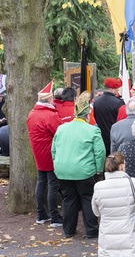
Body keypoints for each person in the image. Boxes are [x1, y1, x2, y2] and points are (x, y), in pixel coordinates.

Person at [51, 92, 105, 239]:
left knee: (68, 200)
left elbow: (54, 150)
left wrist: (57, 165)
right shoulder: (93, 130)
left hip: (63, 171)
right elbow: (100, 153)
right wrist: (99, 170)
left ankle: (68, 230)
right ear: (87, 116)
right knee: (87, 198)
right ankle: (92, 230)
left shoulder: (62, 128)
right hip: (84, 171)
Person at [91, 152, 135, 256]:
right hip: (130, 237)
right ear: (121, 166)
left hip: (107, 238)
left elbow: (96, 212)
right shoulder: (133, 183)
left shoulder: (98, 186)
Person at [27, 81, 64, 227]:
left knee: (41, 182)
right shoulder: (49, 115)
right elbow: (60, 132)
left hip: (38, 152)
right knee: (52, 184)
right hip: (49, 152)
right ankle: (55, 216)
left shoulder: (32, 113)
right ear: (49, 100)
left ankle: (41, 214)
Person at [92, 78, 125, 156]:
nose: (118, 91)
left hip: (101, 137)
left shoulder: (96, 102)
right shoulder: (118, 102)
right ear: (112, 89)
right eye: (117, 89)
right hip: (114, 138)